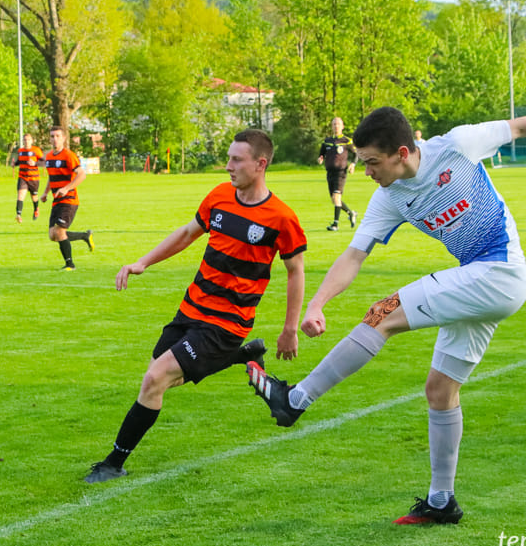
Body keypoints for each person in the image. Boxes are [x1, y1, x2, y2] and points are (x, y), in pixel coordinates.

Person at [246, 108, 526, 525]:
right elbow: (353, 256)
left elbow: (518, 126)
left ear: (402, 152)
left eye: (371, 162)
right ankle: (442, 501)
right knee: (440, 391)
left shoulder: (456, 146)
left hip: (499, 272)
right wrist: (316, 304)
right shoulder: (388, 197)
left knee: (382, 314)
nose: (364, 171)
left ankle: (295, 400)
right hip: (477, 280)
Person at [84, 129, 308, 484]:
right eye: (229, 157)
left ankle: (113, 463)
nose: (228, 166)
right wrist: (143, 262)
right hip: (191, 308)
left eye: (236, 159)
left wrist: (290, 329)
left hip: (227, 322)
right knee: (156, 379)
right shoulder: (219, 196)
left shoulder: (281, 218)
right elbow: (188, 232)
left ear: (260, 164)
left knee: (155, 379)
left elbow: (296, 272)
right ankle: (240, 356)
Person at [39, 126, 93, 271]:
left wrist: (67, 188)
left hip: (69, 200)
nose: (54, 139)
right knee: (53, 235)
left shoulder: (69, 155)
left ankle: (70, 265)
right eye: (52, 136)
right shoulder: (49, 156)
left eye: (57, 136)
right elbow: (52, 177)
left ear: (63, 138)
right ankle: (84, 236)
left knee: (59, 232)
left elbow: (82, 174)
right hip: (56, 200)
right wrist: (45, 193)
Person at [318, 117, 358, 231]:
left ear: (342, 126)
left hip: (341, 172)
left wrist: (353, 164)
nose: (336, 126)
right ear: (332, 126)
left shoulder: (347, 141)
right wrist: (320, 158)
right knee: (334, 199)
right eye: (334, 124)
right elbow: (321, 154)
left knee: (336, 197)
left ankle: (335, 224)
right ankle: (351, 213)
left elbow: (356, 154)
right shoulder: (327, 141)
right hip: (329, 173)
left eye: (338, 124)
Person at [14, 133, 44, 223]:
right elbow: (19, 161)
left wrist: (35, 163)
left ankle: (36, 209)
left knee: (34, 196)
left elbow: (44, 162)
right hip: (22, 177)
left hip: (34, 178)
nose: (26, 141)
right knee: (20, 195)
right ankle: (18, 214)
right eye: (25, 140)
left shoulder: (36, 150)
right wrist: (14, 164)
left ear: (32, 141)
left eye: (28, 139)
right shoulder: (20, 150)